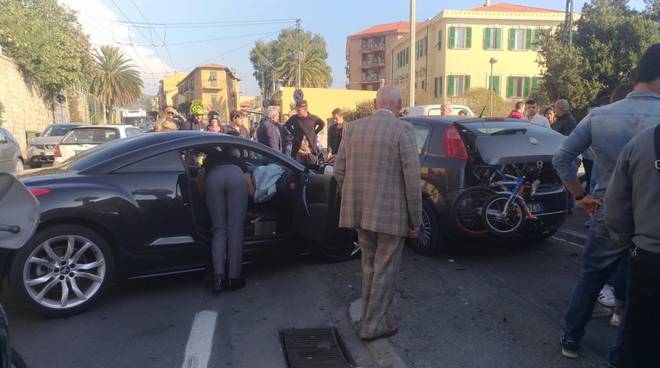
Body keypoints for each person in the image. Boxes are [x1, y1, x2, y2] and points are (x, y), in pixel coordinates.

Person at [552, 43, 660, 364]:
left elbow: (562, 157)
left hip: (604, 210)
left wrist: (579, 195)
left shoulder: (599, 116)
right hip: (651, 220)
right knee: (639, 289)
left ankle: (571, 336)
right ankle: (621, 350)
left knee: (591, 276)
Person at [334, 85, 422, 341]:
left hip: (360, 213)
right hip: (392, 216)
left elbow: (339, 172)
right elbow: (412, 180)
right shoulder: (403, 130)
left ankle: (369, 318)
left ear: (375, 105)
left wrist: (351, 197)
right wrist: (415, 220)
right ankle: (372, 326)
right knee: (385, 268)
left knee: (369, 265)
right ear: (400, 105)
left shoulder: (353, 128)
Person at [605, 125, 660, 368]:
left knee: (639, 328)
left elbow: (616, 204)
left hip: (649, 253)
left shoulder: (643, 142)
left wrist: (627, 240)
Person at [203, 148, 255, 293]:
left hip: (213, 179)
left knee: (219, 229)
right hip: (236, 177)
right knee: (235, 229)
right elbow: (251, 190)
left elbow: (199, 184)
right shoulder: (239, 162)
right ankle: (234, 278)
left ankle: (218, 276)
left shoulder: (209, 161)